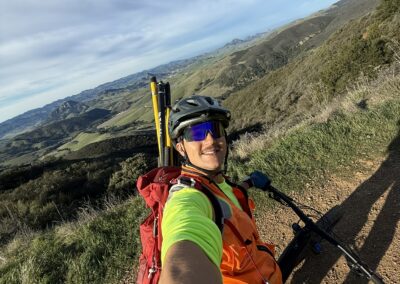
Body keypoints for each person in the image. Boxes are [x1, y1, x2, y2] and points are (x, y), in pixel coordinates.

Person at [159, 96, 282, 284]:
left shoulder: (215, 182)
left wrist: (248, 182)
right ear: (180, 147)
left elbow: (227, 196)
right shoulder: (187, 198)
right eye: (196, 133)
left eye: (215, 129)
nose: (210, 140)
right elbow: (182, 261)